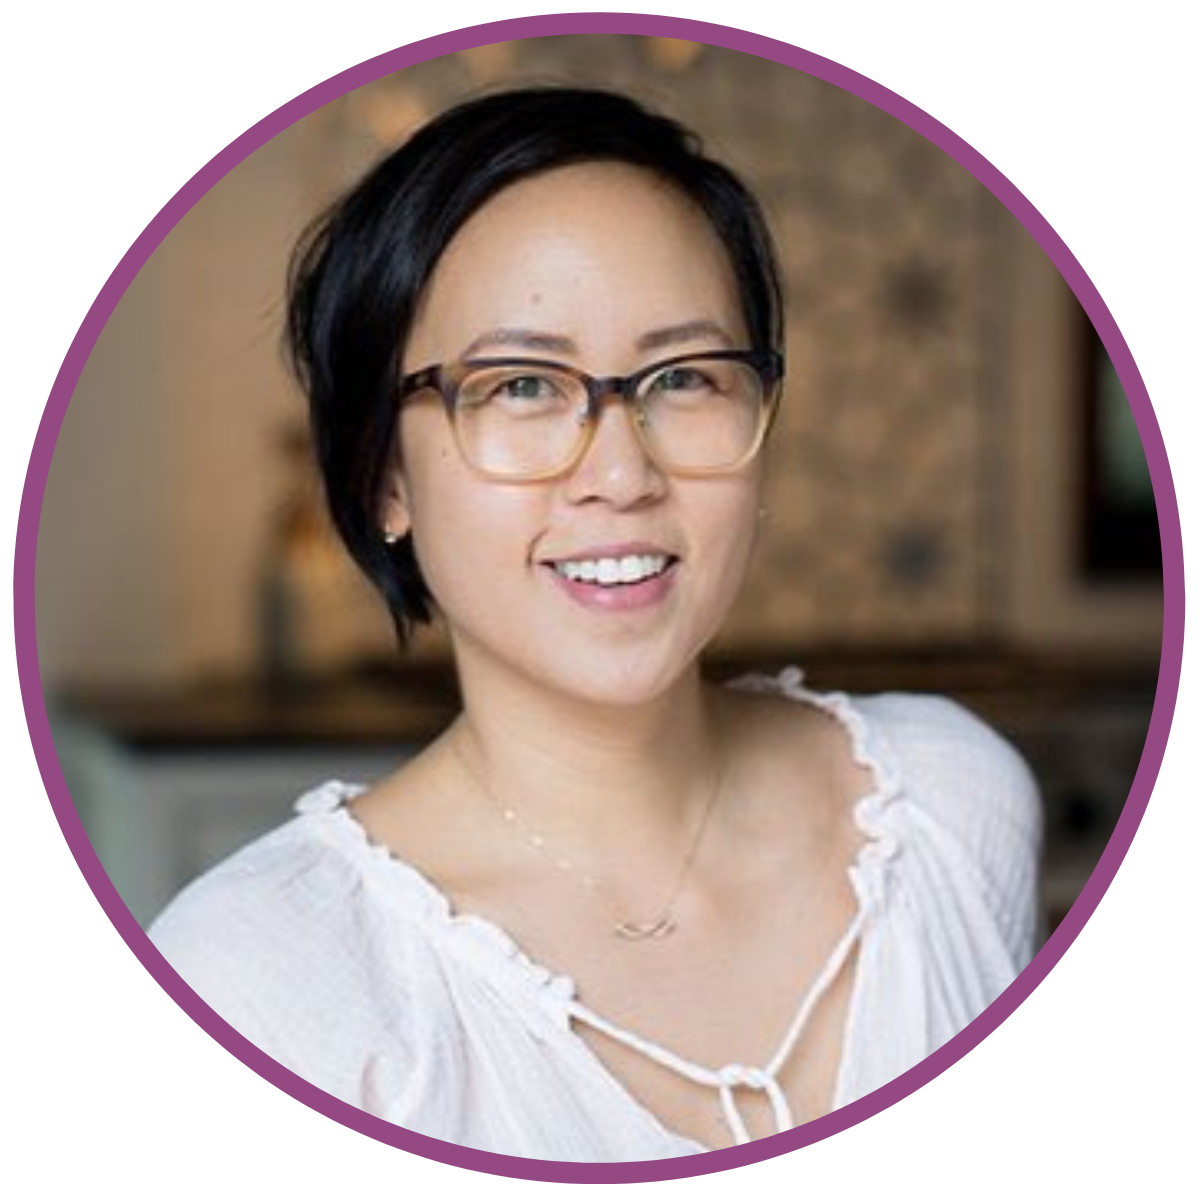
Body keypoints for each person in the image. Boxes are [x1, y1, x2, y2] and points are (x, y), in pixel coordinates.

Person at [149, 86, 1041, 1161]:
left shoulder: (951, 800)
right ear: (383, 472)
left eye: (686, 377)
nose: (621, 474)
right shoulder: (264, 980)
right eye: (522, 385)